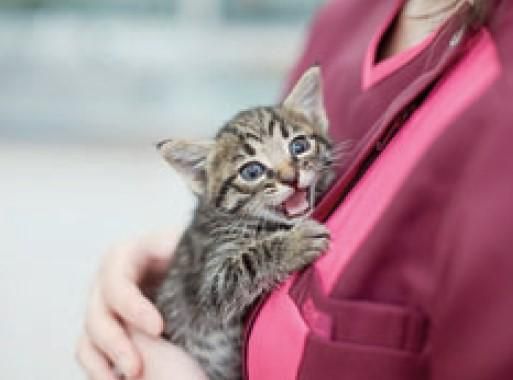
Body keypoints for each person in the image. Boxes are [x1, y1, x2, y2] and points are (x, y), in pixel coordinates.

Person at [76, 0, 513, 379]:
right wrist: (173, 257)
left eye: (297, 150)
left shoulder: (498, 95)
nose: (287, 174)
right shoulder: (343, 20)